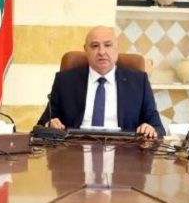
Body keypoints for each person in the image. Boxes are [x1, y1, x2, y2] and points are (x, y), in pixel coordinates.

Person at [36, 26, 164, 139]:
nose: (102, 52)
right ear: (86, 50)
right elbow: (41, 126)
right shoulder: (65, 81)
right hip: (74, 150)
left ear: (117, 47)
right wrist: (50, 124)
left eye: (107, 45)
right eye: (94, 46)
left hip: (125, 150)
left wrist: (150, 128)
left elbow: (158, 127)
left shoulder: (139, 82)